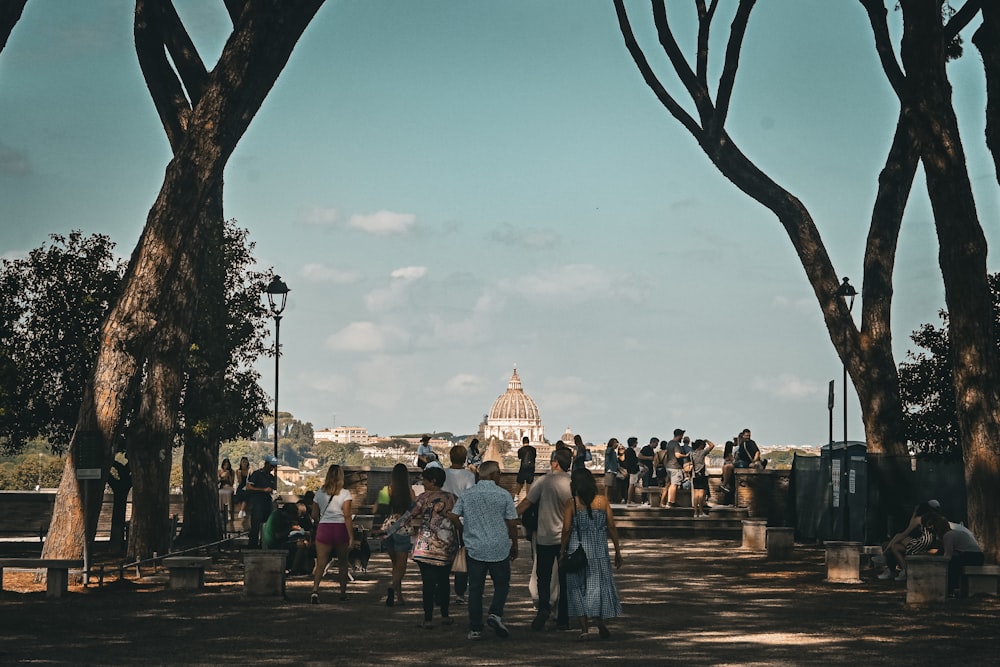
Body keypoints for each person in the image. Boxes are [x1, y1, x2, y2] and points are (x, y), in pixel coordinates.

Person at [378, 466, 460, 628]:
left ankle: (428, 619)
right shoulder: (452, 497)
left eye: (424, 480)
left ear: (433, 481)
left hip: (426, 546)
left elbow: (407, 517)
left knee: (427, 583)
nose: (422, 483)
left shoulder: (423, 498)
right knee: (444, 581)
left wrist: (388, 532)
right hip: (446, 545)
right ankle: (445, 615)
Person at [449, 461, 519, 641]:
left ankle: (475, 628)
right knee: (502, 585)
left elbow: (454, 515)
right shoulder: (504, 495)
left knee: (475, 589)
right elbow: (512, 523)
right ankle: (495, 613)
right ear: (494, 475)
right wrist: (515, 543)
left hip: (475, 547)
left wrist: (463, 532)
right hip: (499, 547)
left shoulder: (467, 494)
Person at [560, 467, 623, 640]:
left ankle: (584, 629)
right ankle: (598, 617)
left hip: (577, 550)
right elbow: (611, 526)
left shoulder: (571, 503)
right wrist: (617, 550)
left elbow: (566, 530)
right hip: (599, 551)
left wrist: (562, 550)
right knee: (597, 587)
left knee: (576, 588)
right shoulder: (603, 501)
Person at [517, 447, 573, 632]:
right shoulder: (572, 483)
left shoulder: (544, 481)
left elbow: (527, 503)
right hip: (566, 537)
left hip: (545, 536)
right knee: (565, 579)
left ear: (555, 462)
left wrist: (510, 517)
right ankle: (563, 617)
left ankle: (544, 608)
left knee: (543, 576)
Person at [311, 464, 354, 603]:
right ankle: (342, 592)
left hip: (324, 528)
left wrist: (321, 522)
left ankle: (315, 590)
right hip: (340, 528)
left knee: (321, 563)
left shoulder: (319, 493)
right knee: (342, 563)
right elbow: (347, 516)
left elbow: (314, 514)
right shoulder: (345, 493)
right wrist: (351, 537)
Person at [443, 444, 476, 605]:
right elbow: (470, 499)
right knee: (462, 556)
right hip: (462, 520)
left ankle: (440, 591)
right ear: (464, 459)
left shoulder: (443, 474)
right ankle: (460, 593)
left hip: (443, 519)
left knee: (443, 557)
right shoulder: (469, 476)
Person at [379, 463, 416, 606]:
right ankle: (392, 587)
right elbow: (414, 510)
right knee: (402, 565)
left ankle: (398, 596)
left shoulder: (386, 490)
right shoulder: (410, 491)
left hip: (388, 527)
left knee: (395, 564)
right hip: (403, 528)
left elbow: (380, 508)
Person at [876, 500, 940, 581]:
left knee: (895, 544)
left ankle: (903, 570)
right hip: (929, 543)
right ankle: (889, 562)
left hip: (922, 543)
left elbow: (905, 532)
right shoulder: (937, 519)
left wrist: (914, 513)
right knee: (896, 539)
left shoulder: (919, 519)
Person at [924, 513, 984, 595]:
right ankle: (952, 588)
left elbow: (947, 557)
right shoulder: (956, 533)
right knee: (954, 560)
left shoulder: (948, 536)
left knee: (951, 563)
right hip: (978, 557)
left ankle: (949, 589)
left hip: (972, 557)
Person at [246, 455, 278, 548]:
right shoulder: (257, 474)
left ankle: (265, 545)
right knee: (255, 526)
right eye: (271, 466)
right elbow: (249, 487)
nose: (272, 468)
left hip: (267, 502)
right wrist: (263, 490)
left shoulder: (271, 477)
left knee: (267, 526)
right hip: (257, 502)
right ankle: (252, 546)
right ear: (266, 464)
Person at [688, 439, 715, 517]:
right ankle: (701, 512)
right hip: (702, 475)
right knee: (701, 494)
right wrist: (706, 440)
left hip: (694, 475)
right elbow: (712, 445)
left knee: (696, 495)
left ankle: (695, 512)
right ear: (701, 446)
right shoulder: (702, 452)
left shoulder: (691, 453)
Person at [659, 429, 686, 508]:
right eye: (682, 436)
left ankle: (665, 501)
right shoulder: (676, 444)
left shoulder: (669, 443)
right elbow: (677, 455)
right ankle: (671, 501)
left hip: (669, 466)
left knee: (669, 484)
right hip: (675, 467)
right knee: (674, 484)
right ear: (680, 435)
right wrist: (686, 455)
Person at [232, 456, 251, 530]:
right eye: (243, 462)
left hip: (248, 486)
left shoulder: (249, 471)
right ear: (240, 462)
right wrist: (239, 474)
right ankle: (242, 510)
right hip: (241, 486)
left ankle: (241, 511)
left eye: (245, 462)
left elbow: (251, 480)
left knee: (246, 493)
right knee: (240, 493)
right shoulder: (238, 471)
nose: (244, 463)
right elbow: (239, 481)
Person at [218, 458, 235, 529]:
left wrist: (229, 476)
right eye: (225, 465)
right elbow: (218, 481)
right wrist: (222, 477)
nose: (226, 466)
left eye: (227, 465)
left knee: (229, 493)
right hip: (222, 487)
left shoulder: (232, 472)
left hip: (229, 487)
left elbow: (232, 483)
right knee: (220, 493)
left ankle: (229, 511)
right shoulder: (219, 471)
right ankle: (221, 510)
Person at [623, 437, 640, 505]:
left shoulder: (627, 451)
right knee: (632, 485)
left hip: (631, 470)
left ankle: (630, 500)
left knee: (632, 484)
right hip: (633, 470)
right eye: (636, 442)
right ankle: (629, 500)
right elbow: (635, 461)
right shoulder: (631, 451)